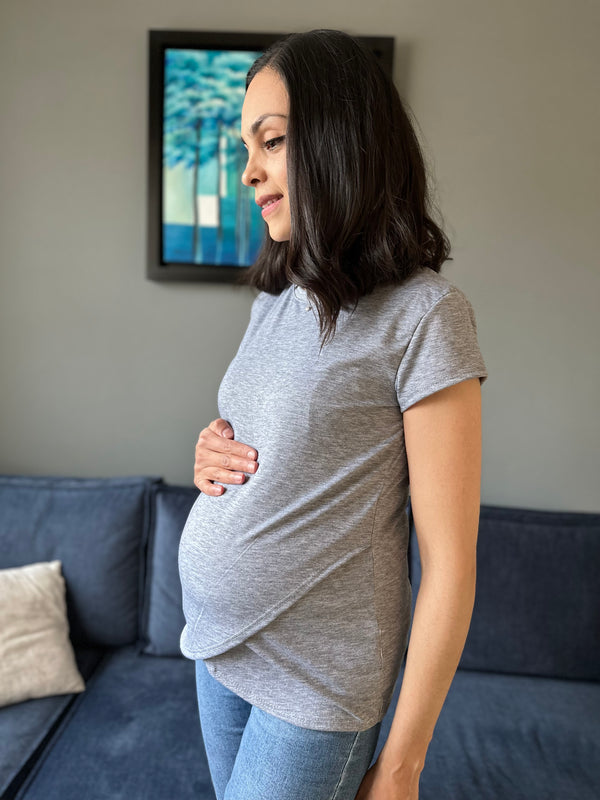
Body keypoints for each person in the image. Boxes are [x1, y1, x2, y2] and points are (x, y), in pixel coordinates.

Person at [178, 29, 488, 800]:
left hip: (318, 680)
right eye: (247, 146)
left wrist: (404, 762)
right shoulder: (276, 299)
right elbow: (275, 444)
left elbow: (448, 563)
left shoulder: (426, 315)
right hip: (219, 652)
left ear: (338, 140)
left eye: (272, 142)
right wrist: (210, 453)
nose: (249, 171)